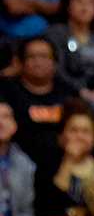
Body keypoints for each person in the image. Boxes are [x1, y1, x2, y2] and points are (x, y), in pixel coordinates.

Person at [0, 37, 79, 168]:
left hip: (65, 161)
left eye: (44, 56)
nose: (38, 62)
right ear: (21, 62)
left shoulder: (68, 92)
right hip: (18, 162)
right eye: (31, 57)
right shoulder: (7, 91)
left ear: (55, 63)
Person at [0, 97, 35, 216]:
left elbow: (26, 208)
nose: (1, 122)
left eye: (6, 117)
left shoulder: (23, 162)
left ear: (14, 124)